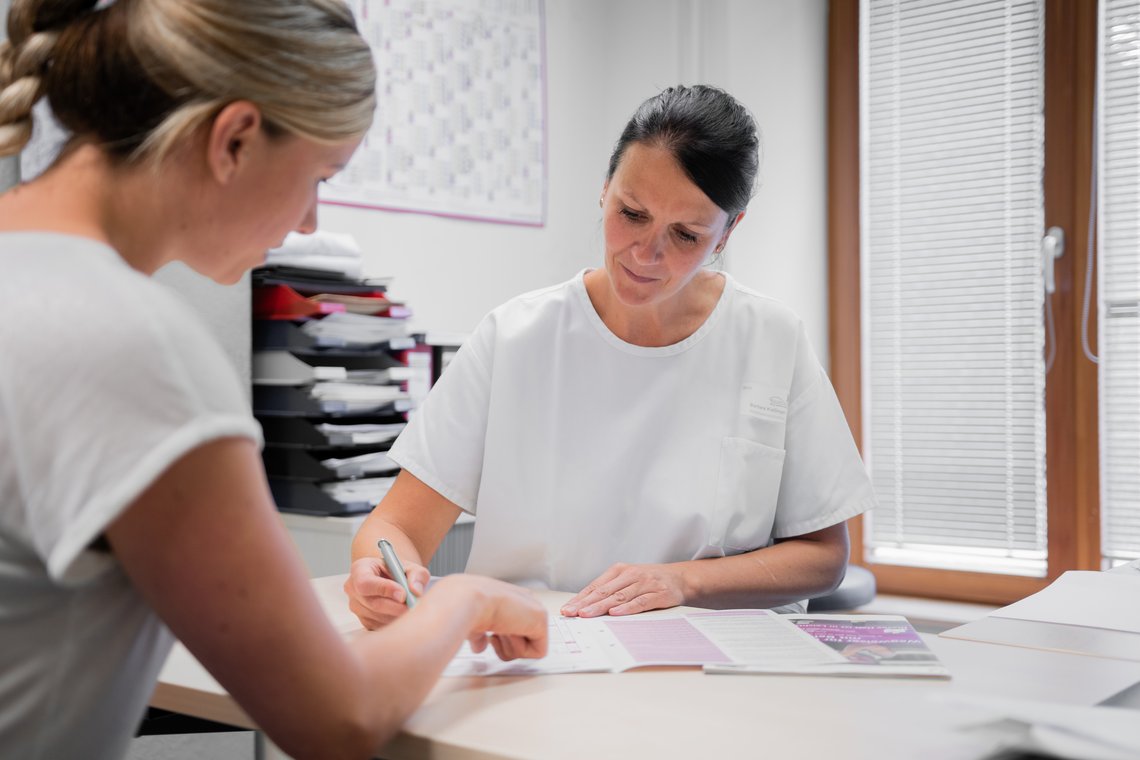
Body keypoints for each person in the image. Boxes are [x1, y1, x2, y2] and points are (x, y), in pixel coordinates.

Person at [0, 1, 547, 758]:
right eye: (320, 175)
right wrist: (467, 595)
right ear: (235, 139)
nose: (309, 222)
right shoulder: (134, 346)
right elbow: (337, 719)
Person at [344, 84, 877, 630]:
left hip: (707, 667)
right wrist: (382, 576)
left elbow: (823, 555)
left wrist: (680, 581)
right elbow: (394, 527)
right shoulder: (516, 337)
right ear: (604, 191)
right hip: (533, 652)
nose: (647, 254)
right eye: (632, 212)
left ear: (726, 233)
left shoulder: (772, 340)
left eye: (686, 235)